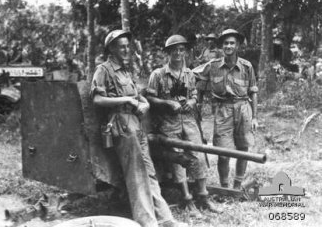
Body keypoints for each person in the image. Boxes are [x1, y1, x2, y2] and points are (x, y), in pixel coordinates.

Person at [90, 30, 187, 227]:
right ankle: (147, 222)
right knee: (136, 174)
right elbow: (97, 98)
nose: (126, 50)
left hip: (136, 124)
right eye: (121, 46)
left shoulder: (125, 71)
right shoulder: (104, 70)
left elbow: (137, 94)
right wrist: (126, 99)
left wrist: (145, 103)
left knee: (149, 172)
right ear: (111, 48)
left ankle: (165, 219)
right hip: (121, 124)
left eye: (127, 46)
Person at [146, 34, 220, 218]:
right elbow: (148, 97)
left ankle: (203, 196)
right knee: (178, 160)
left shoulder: (189, 74)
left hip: (188, 119)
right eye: (174, 50)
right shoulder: (158, 75)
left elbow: (195, 95)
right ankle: (187, 200)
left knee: (198, 154)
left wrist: (192, 102)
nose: (178, 53)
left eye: (181, 50)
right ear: (168, 53)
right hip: (168, 122)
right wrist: (166, 103)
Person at [193, 29, 258, 190]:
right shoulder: (212, 66)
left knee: (243, 148)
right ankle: (224, 187)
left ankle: (237, 186)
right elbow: (194, 79)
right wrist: (197, 105)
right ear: (221, 46)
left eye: (232, 43)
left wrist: (255, 117)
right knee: (223, 151)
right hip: (222, 110)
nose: (228, 46)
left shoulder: (246, 66)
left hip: (243, 109)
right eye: (226, 43)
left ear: (237, 46)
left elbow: (253, 92)